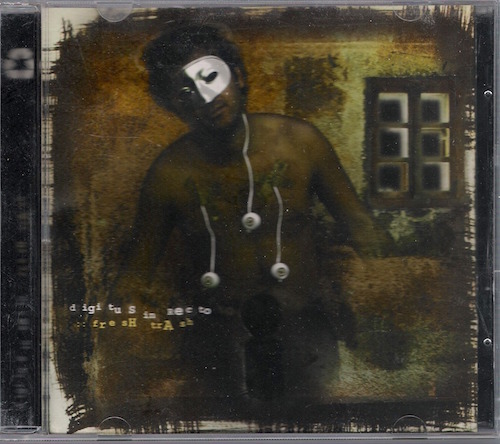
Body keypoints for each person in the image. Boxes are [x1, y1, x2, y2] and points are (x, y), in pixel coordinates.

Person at [113, 24, 391, 407]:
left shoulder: (300, 143)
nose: (207, 97)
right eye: (186, 92)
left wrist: (386, 302)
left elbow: (364, 231)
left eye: (211, 77)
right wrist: (131, 334)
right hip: (216, 341)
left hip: (306, 334)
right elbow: (132, 278)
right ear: (171, 106)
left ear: (239, 76)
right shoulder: (169, 174)